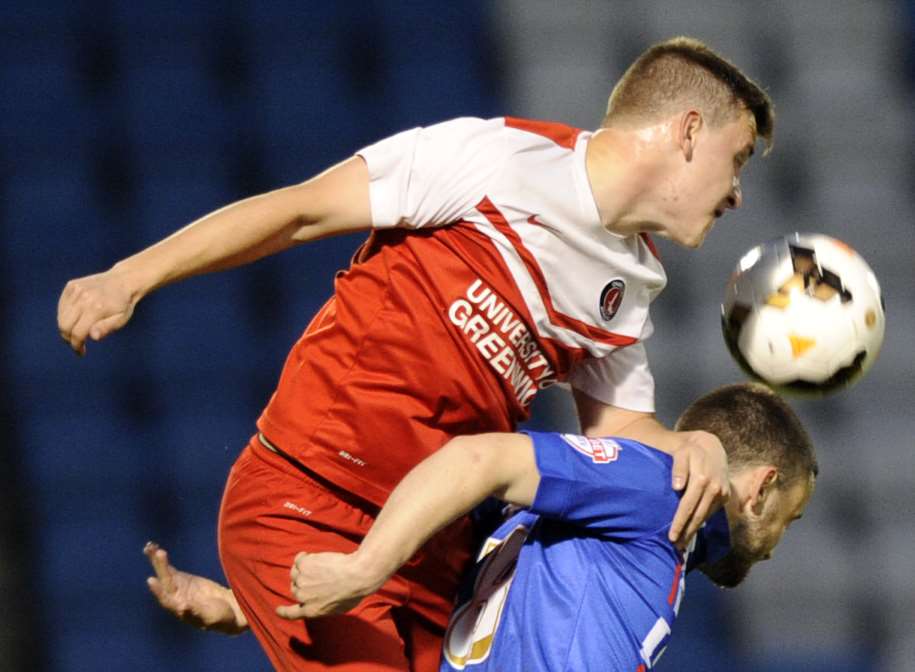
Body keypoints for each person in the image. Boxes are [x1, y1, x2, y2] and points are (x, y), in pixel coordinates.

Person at [59, 36, 773, 671]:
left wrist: (698, 443)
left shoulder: (631, 284)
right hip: (309, 500)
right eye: (736, 158)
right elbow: (299, 211)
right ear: (685, 131)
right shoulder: (495, 158)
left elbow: (615, 435)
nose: (737, 193)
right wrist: (131, 275)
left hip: (427, 551)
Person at [146, 382, 816, 672]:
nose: (780, 543)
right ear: (761, 488)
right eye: (792, 516)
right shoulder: (650, 488)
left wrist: (250, 605)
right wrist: (352, 573)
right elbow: (477, 458)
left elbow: (433, 557)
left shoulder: (591, 516)